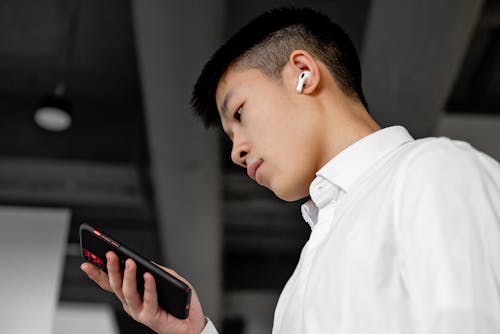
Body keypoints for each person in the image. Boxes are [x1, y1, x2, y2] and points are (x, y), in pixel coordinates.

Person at [81, 7, 500, 334]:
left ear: (303, 73)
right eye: (229, 136)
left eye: (240, 114)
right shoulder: (302, 281)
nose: (236, 153)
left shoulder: (434, 172)